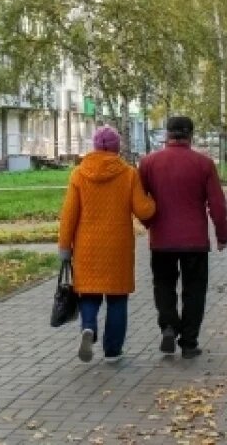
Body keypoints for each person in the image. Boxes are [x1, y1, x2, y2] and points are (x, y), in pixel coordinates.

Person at [58, 125, 155, 363]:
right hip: (117, 246)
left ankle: (88, 328)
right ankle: (113, 351)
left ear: (94, 146)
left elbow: (69, 214)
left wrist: (64, 247)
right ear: (117, 147)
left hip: (86, 246)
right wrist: (154, 202)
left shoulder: (79, 174)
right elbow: (143, 209)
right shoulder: (128, 173)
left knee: (89, 294)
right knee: (117, 298)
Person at [138, 115, 227, 358]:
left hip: (161, 240)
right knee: (194, 291)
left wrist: (150, 223)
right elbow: (217, 205)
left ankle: (168, 326)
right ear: (190, 135)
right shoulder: (204, 164)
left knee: (164, 286)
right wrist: (222, 234)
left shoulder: (148, 163)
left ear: (167, 134)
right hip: (195, 242)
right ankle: (189, 343)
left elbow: (139, 202)